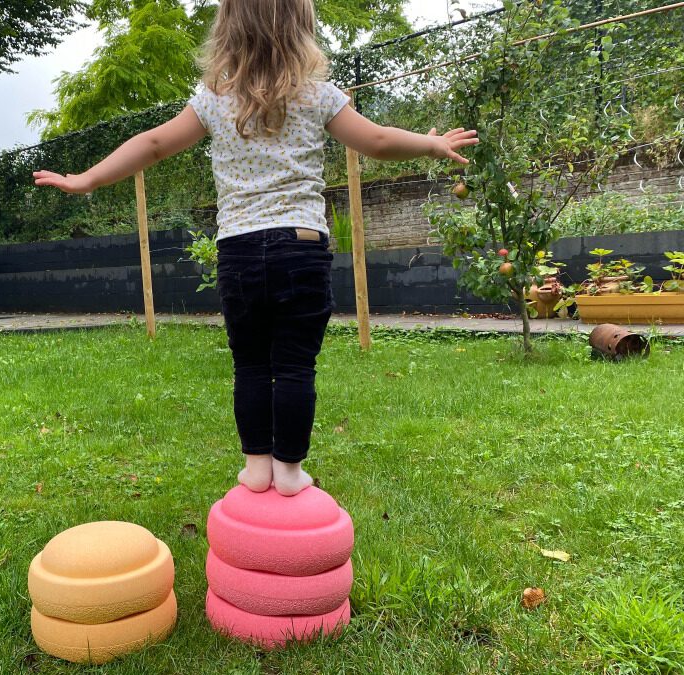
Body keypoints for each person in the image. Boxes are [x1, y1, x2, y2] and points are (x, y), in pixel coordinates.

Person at [34, 0, 477, 496]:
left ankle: (256, 467)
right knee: (293, 365)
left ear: (228, 30)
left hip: (240, 250)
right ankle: (289, 472)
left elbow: (154, 144)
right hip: (301, 246)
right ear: (301, 26)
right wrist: (430, 143)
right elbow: (375, 141)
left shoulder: (214, 99)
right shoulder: (318, 95)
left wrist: (88, 179)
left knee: (249, 363)